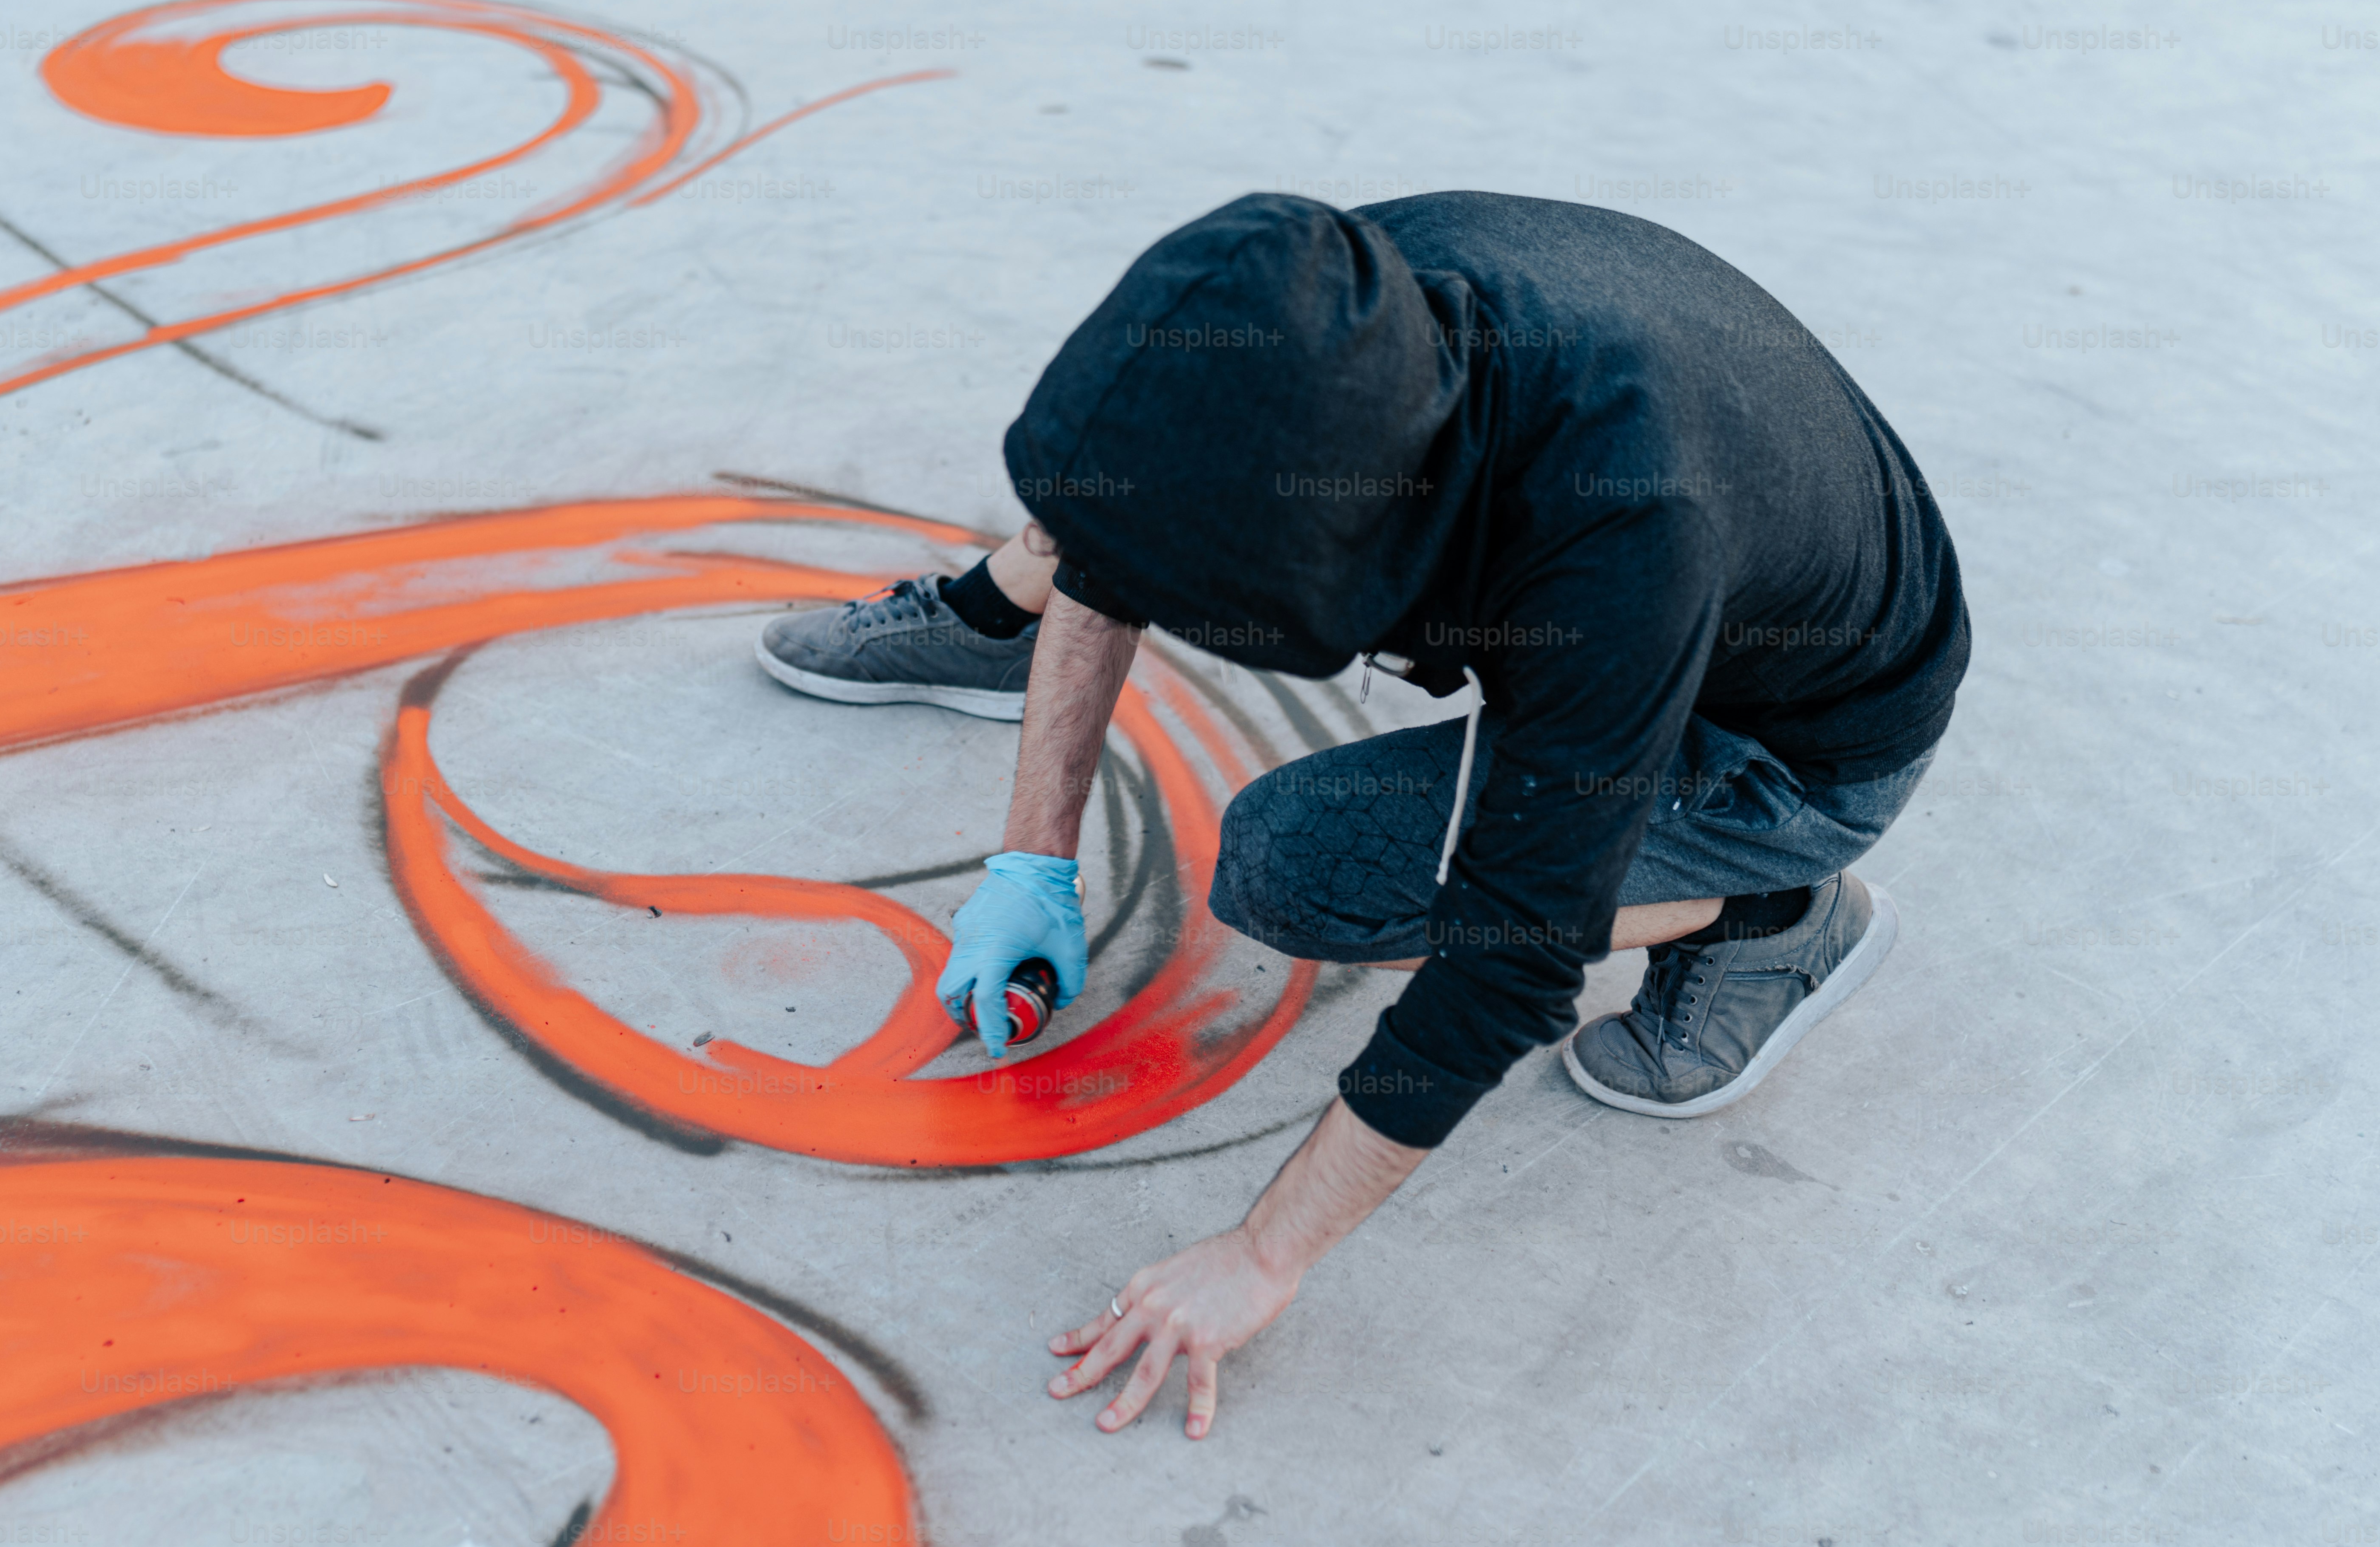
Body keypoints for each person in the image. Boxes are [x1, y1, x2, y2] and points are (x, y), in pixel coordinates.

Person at [755, 191, 1969, 1440]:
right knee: (1143, 494)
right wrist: (1034, 861)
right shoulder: (1317, 302)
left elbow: (1511, 962)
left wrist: (1263, 1254)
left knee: (1305, 869)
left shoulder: (1619, 545)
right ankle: (993, 618)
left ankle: (1772, 909)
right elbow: (1125, 513)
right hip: (1714, 549)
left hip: (1796, 740)